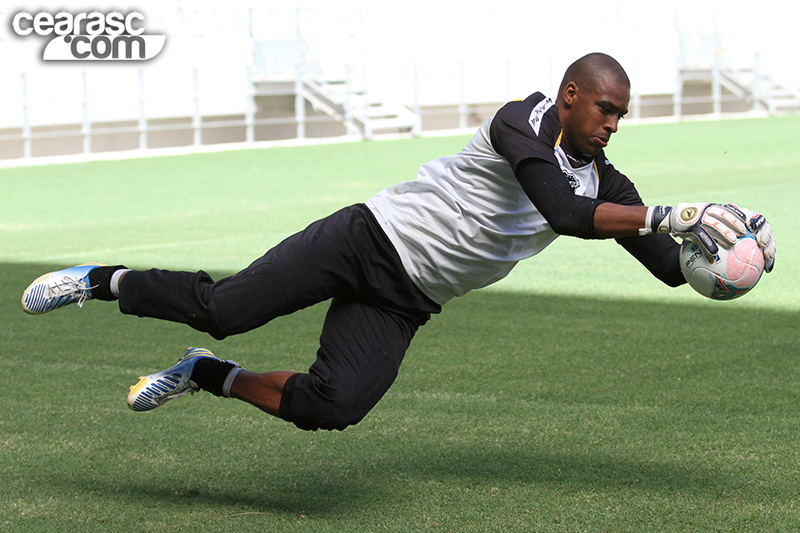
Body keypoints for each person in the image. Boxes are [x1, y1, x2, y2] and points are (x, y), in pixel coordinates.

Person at [21, 53, 776, 431]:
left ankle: (207, 374)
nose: (612, 124)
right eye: (605, 110)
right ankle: (99, 280)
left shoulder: (606, 181)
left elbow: (671, 270)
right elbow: (563, 211)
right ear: (573, 96)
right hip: (365, 239)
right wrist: (665, 213)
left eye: (622, 117)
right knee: (225, 304)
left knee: (336, 404)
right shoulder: (521, 119)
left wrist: (738, 247)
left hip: (408, 296)